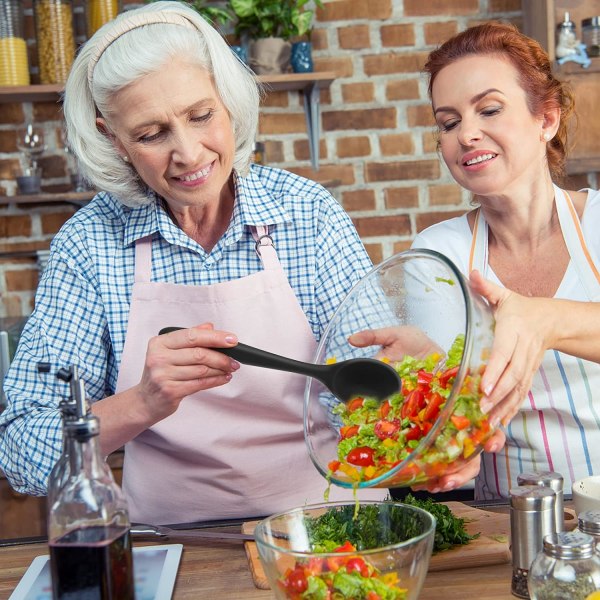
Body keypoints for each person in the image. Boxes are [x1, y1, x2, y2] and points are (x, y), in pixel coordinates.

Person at [0, 1, 385, 525]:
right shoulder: (89, 245)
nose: (188, 153)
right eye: (150, 134)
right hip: (173, 543)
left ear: (227, 101)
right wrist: (141, 402)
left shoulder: (308, 215)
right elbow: (21, 452)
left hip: (332, 529)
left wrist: (401, 389)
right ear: (112, 138)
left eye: (201, 116)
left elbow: (374, 397)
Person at [409, 21, 600, 500]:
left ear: (547, 119)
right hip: (507, 528)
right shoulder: (436, 257)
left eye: (489, 109)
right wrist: (446, 438)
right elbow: (454, 409)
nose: (466, 134)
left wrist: (549, 319)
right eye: (448, 123)